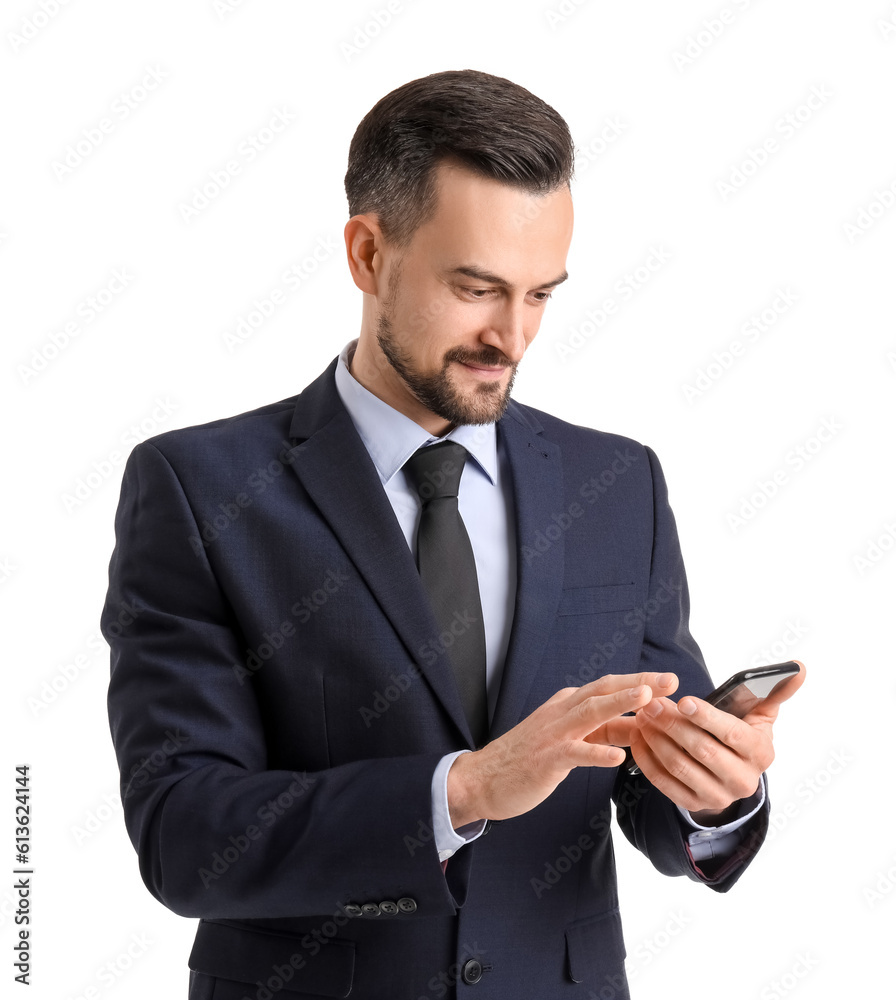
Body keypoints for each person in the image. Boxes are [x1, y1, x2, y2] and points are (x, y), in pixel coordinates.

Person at [102, 69, 804, 1000]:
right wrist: (460, 792)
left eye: (541, 295)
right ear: (367, 255)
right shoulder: (199, 487)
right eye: (476, 289)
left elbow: (644, 793)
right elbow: (185, 836)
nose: (510, 336)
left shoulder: (616, 484)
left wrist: (713, 794)